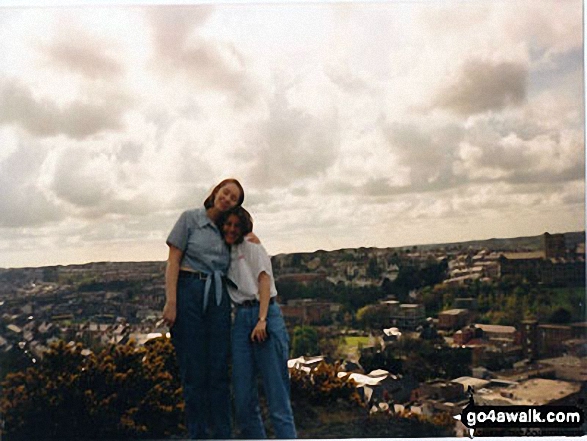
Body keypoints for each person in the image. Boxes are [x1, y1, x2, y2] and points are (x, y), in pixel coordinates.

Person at [162, 178, 244, 439]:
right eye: (226, 192)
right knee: (194, 371)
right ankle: (197, 434)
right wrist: (171, 302)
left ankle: (222, 434)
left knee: (219, 370)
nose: (227, 199)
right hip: (189, 292)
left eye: (234, 198)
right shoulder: (190, 218)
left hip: (218, 299)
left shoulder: (228, 230)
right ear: (216, 191)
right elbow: (173, 260)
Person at [220, 206, 297, 439]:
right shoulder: (223, 252)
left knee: (277, 399)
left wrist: (262, 320)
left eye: (236, 225)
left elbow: (264, 280)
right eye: (228, 224)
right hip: (241, 319)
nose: (232, 229)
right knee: (243, 400)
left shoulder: (251, 245)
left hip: (263, 314)